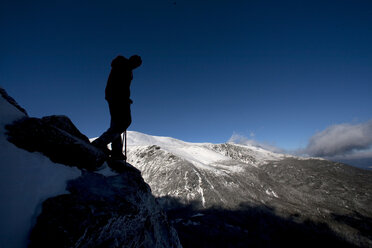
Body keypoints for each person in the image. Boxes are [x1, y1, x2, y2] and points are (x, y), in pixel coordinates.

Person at [92, 55, 142, 160]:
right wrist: (124, 98)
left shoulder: (122, 66)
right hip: (117, 98)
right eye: (137, 64)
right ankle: (101, 143)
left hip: (114, 97)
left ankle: (116, 151)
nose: (136, 67)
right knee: (125, 122)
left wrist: (126, 98)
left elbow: (119, 85)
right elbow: (120, 85)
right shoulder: (124, 67)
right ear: (133, 61)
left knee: (117, 123)